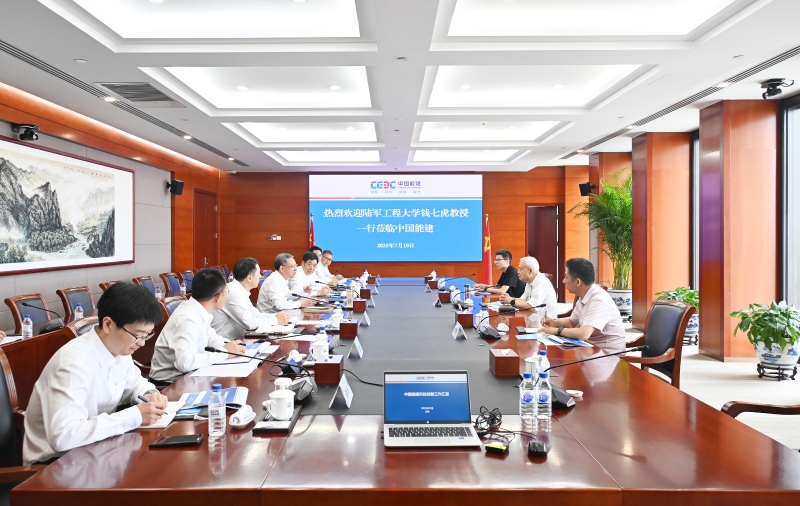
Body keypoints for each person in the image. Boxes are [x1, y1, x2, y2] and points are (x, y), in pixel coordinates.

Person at [23, 282, 168, 464]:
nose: (142, 343)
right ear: (108, 324)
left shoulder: (118, 348)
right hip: (55, 464)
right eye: (138, 335)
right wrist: (134, 416)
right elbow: (63, 436)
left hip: (95, 449)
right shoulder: (74, 364)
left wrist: (150, 393)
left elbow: (135, 383)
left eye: (147, 335)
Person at [149, 268, 246, 384]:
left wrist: (233, 347)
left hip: (190, 375)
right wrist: (224, 352)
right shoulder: (188, 318)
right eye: (227, 292)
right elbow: (185, 363)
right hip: (170, 383)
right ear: (218, 297)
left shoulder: (198, 310)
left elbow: (212, 339)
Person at [541, 257, 626, 352]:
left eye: (566, 277)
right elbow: (572, 322)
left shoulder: (599, 300)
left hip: (608, 354)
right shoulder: (584, 295)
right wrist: (554, 323)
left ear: (578, 282)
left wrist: (556, 331)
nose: (563, 281)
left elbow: (584, 334)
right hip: (590, 348)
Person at [212, 257, 290, 340]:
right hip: (225, 343)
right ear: (249, 278)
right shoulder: (232, 293)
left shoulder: (240, 290)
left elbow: (255, 314)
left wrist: (277, 316)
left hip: (238, 339)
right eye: (258, 273)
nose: (260, 276)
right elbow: (250, 323)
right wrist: (276, 320)